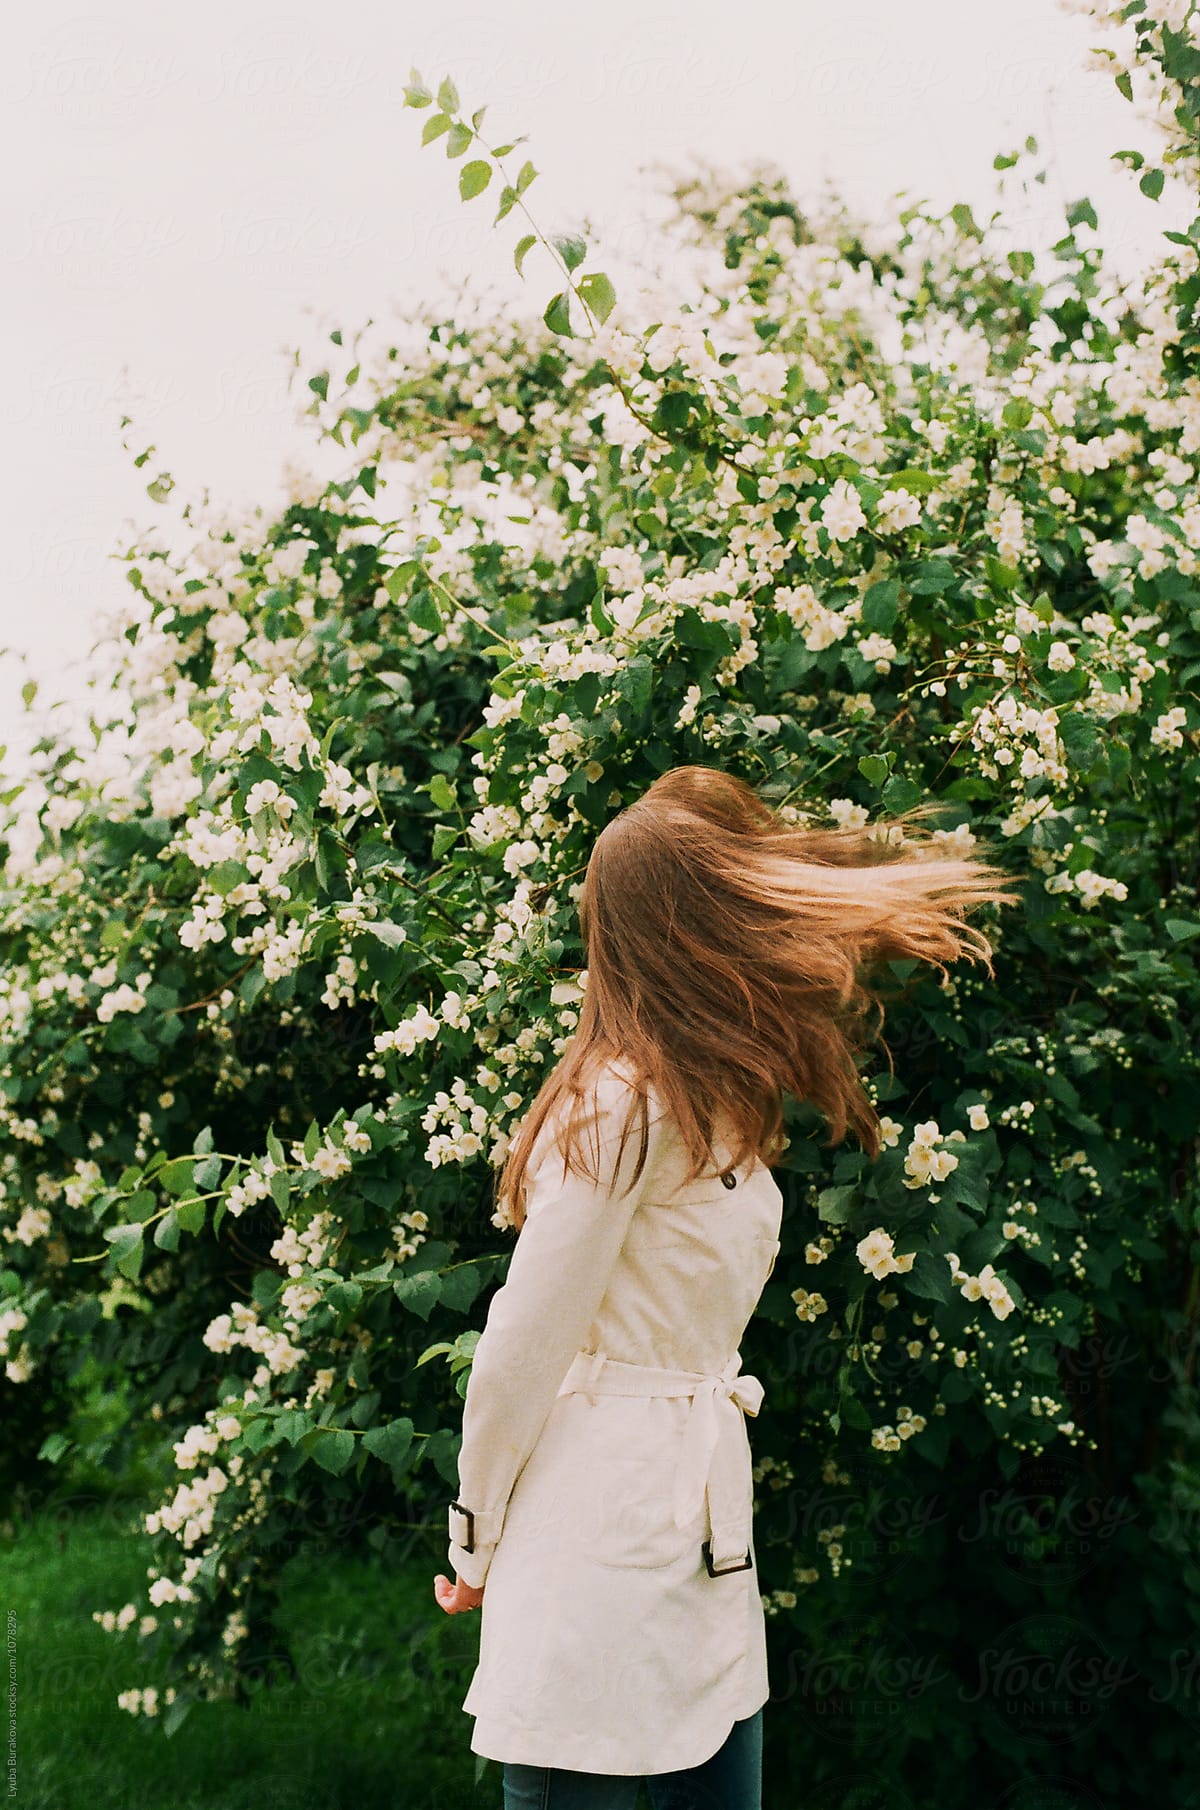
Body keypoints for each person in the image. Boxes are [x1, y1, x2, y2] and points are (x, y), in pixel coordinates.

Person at [433, 763, 1020, 1809]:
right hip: (596, 1541)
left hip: (699, 1534)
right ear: (691, 929)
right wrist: (474, 1538)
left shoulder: (713, 1096)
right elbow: (521, 1345)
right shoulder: (619, 1101)